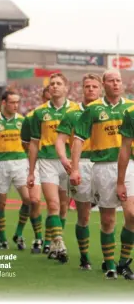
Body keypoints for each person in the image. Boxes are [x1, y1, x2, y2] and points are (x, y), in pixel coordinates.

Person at [70, 70, 134, 279]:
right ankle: (110, 264)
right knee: (107, 220)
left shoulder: (131, 108)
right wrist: (76, 167)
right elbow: (78, 138)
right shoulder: (93, 109)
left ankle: (124, 261)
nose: (116, 84)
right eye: (111, 81)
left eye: (118, 80)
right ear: (103, 84)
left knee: (132, 215)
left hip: (129, 166)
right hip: (102, 167)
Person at [27, 73, 76, 263]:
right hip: (47, 161)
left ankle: (54, 245)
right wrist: (31, 171)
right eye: (52, 84)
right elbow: (33, 144)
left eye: (58, 84)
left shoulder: (75, 110)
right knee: (53, 205)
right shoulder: (39, 113)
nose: (54, 86)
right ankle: (59, 242)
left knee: (63, 207)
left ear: (66, 88)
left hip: (69, 162)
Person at [55, 73, 102, 269]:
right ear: (82, 89)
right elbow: (59, 140)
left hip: (104, 164)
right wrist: (65, 159)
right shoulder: (72, 113)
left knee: (110, 215)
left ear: (100, 89)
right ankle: (84, 257)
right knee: (84, 216)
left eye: (94, 86)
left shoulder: (108, 112)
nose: (90, 89)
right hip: (81, 164)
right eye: (87, 86)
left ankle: (110, 260)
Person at [0, 91, 32, 249]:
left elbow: (28, 144)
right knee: (0, 204)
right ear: (4, 103)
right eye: (12, 102)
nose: (16, 106)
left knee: (29, 200)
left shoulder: (23, 121)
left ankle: (18, 233)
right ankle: (1, 237)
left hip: (20, 162)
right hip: (0, 164)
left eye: (18, 102)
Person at [20, 85, 51, 253]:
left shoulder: (66, 115)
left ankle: (50, 240)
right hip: (37, 162)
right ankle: (38, 238)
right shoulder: (32, 116)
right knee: (34, 200)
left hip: (55, 162)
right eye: (46, 99)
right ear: (42, 99)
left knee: (56, 205)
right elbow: (24, 141)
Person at [116, 104, 134, 279]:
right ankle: (123, 262)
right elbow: (125, 147)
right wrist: (120, 182)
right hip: (132, 167)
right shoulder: (131, 114)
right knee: (131, 214)